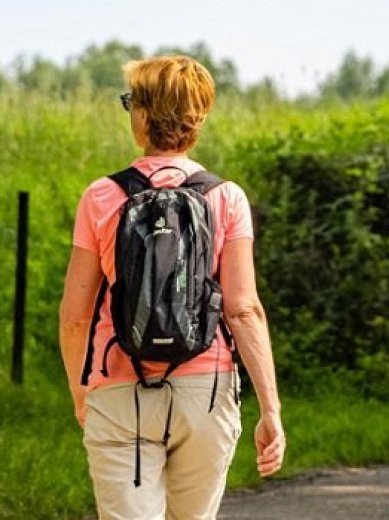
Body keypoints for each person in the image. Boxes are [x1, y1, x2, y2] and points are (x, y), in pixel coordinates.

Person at [58, 55, 285, 519]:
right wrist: (270, 409)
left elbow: (76, 314)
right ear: (198, 118)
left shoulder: (101, 197)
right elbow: (244, 310)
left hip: (119, 387)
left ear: (142, 115)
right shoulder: (226, 198)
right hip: (206, 389)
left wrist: (84, 393)